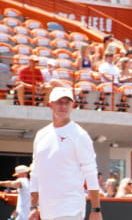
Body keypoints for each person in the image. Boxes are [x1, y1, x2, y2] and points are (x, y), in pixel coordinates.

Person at [29, 87, 102, 220]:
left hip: (70, 209)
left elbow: (90, 172)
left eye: (67, 102)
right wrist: (33, 207)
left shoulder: (80, 135)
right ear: (50, 105)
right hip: (46, 210)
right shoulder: (41, 135)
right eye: (59, 102)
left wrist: (96, 209)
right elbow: (35, 172)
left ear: (72, 105)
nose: (63, 106)